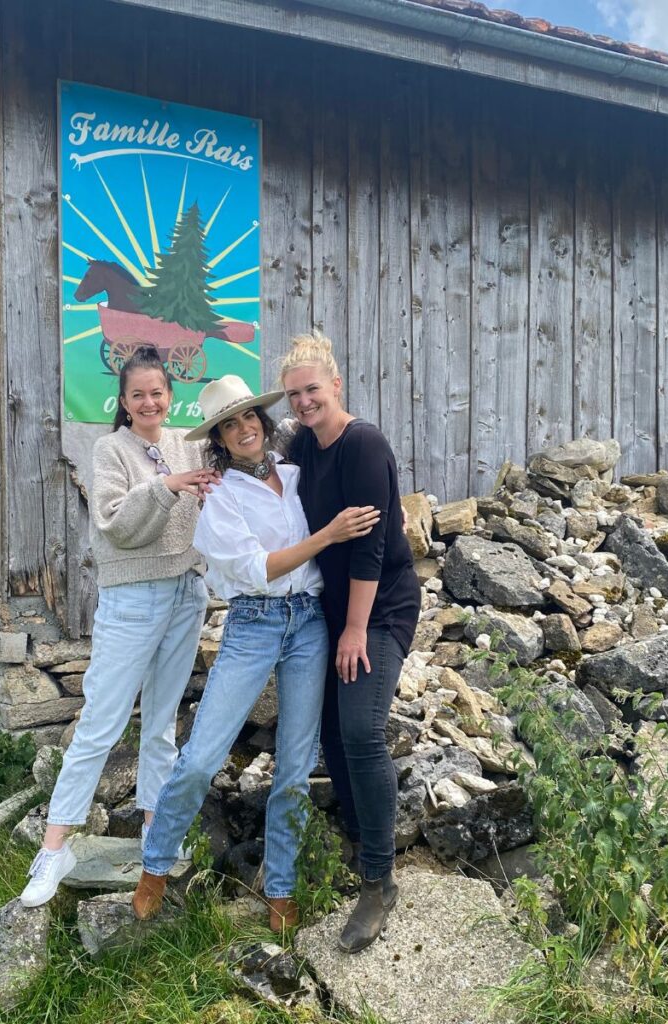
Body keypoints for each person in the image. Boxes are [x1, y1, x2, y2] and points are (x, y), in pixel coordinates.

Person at [131, 375, 381, 933]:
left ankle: (281, 887)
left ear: (263, 422)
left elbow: (352, 499)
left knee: (294, 767)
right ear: (218, 437)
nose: (243, 429)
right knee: (201, 757)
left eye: (249, 417)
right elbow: (258, 568)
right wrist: (328, 535)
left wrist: (388, 512)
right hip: (255, 623)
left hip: (310, 622)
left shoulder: (296, 475)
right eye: (229, 424)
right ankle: (155, 865)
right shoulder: (219, 496)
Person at [19, 346, 218, 908]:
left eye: (157, 392)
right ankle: (54, 849)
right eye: (138, 395)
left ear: (170, 395)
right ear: (124, 402)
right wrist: (167, 487)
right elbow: (115, 526)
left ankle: (156, 835)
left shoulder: (189, 443)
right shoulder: (111, 449)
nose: (149, 402)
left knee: (161, 724)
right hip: (133, 599)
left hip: (185, 593)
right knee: (100, 725)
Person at [280, 330, 421, 954]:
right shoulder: (302, 445)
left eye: (312, 389)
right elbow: (260, 464)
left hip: (380, 606)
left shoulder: (363, 444)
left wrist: (356, 629)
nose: (304, 402)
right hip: (331, 607)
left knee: (361, 728)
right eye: (294, 395)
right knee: (332, 734)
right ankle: (365, 843)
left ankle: (379, 881)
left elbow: (370, 548)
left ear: (336, 384)